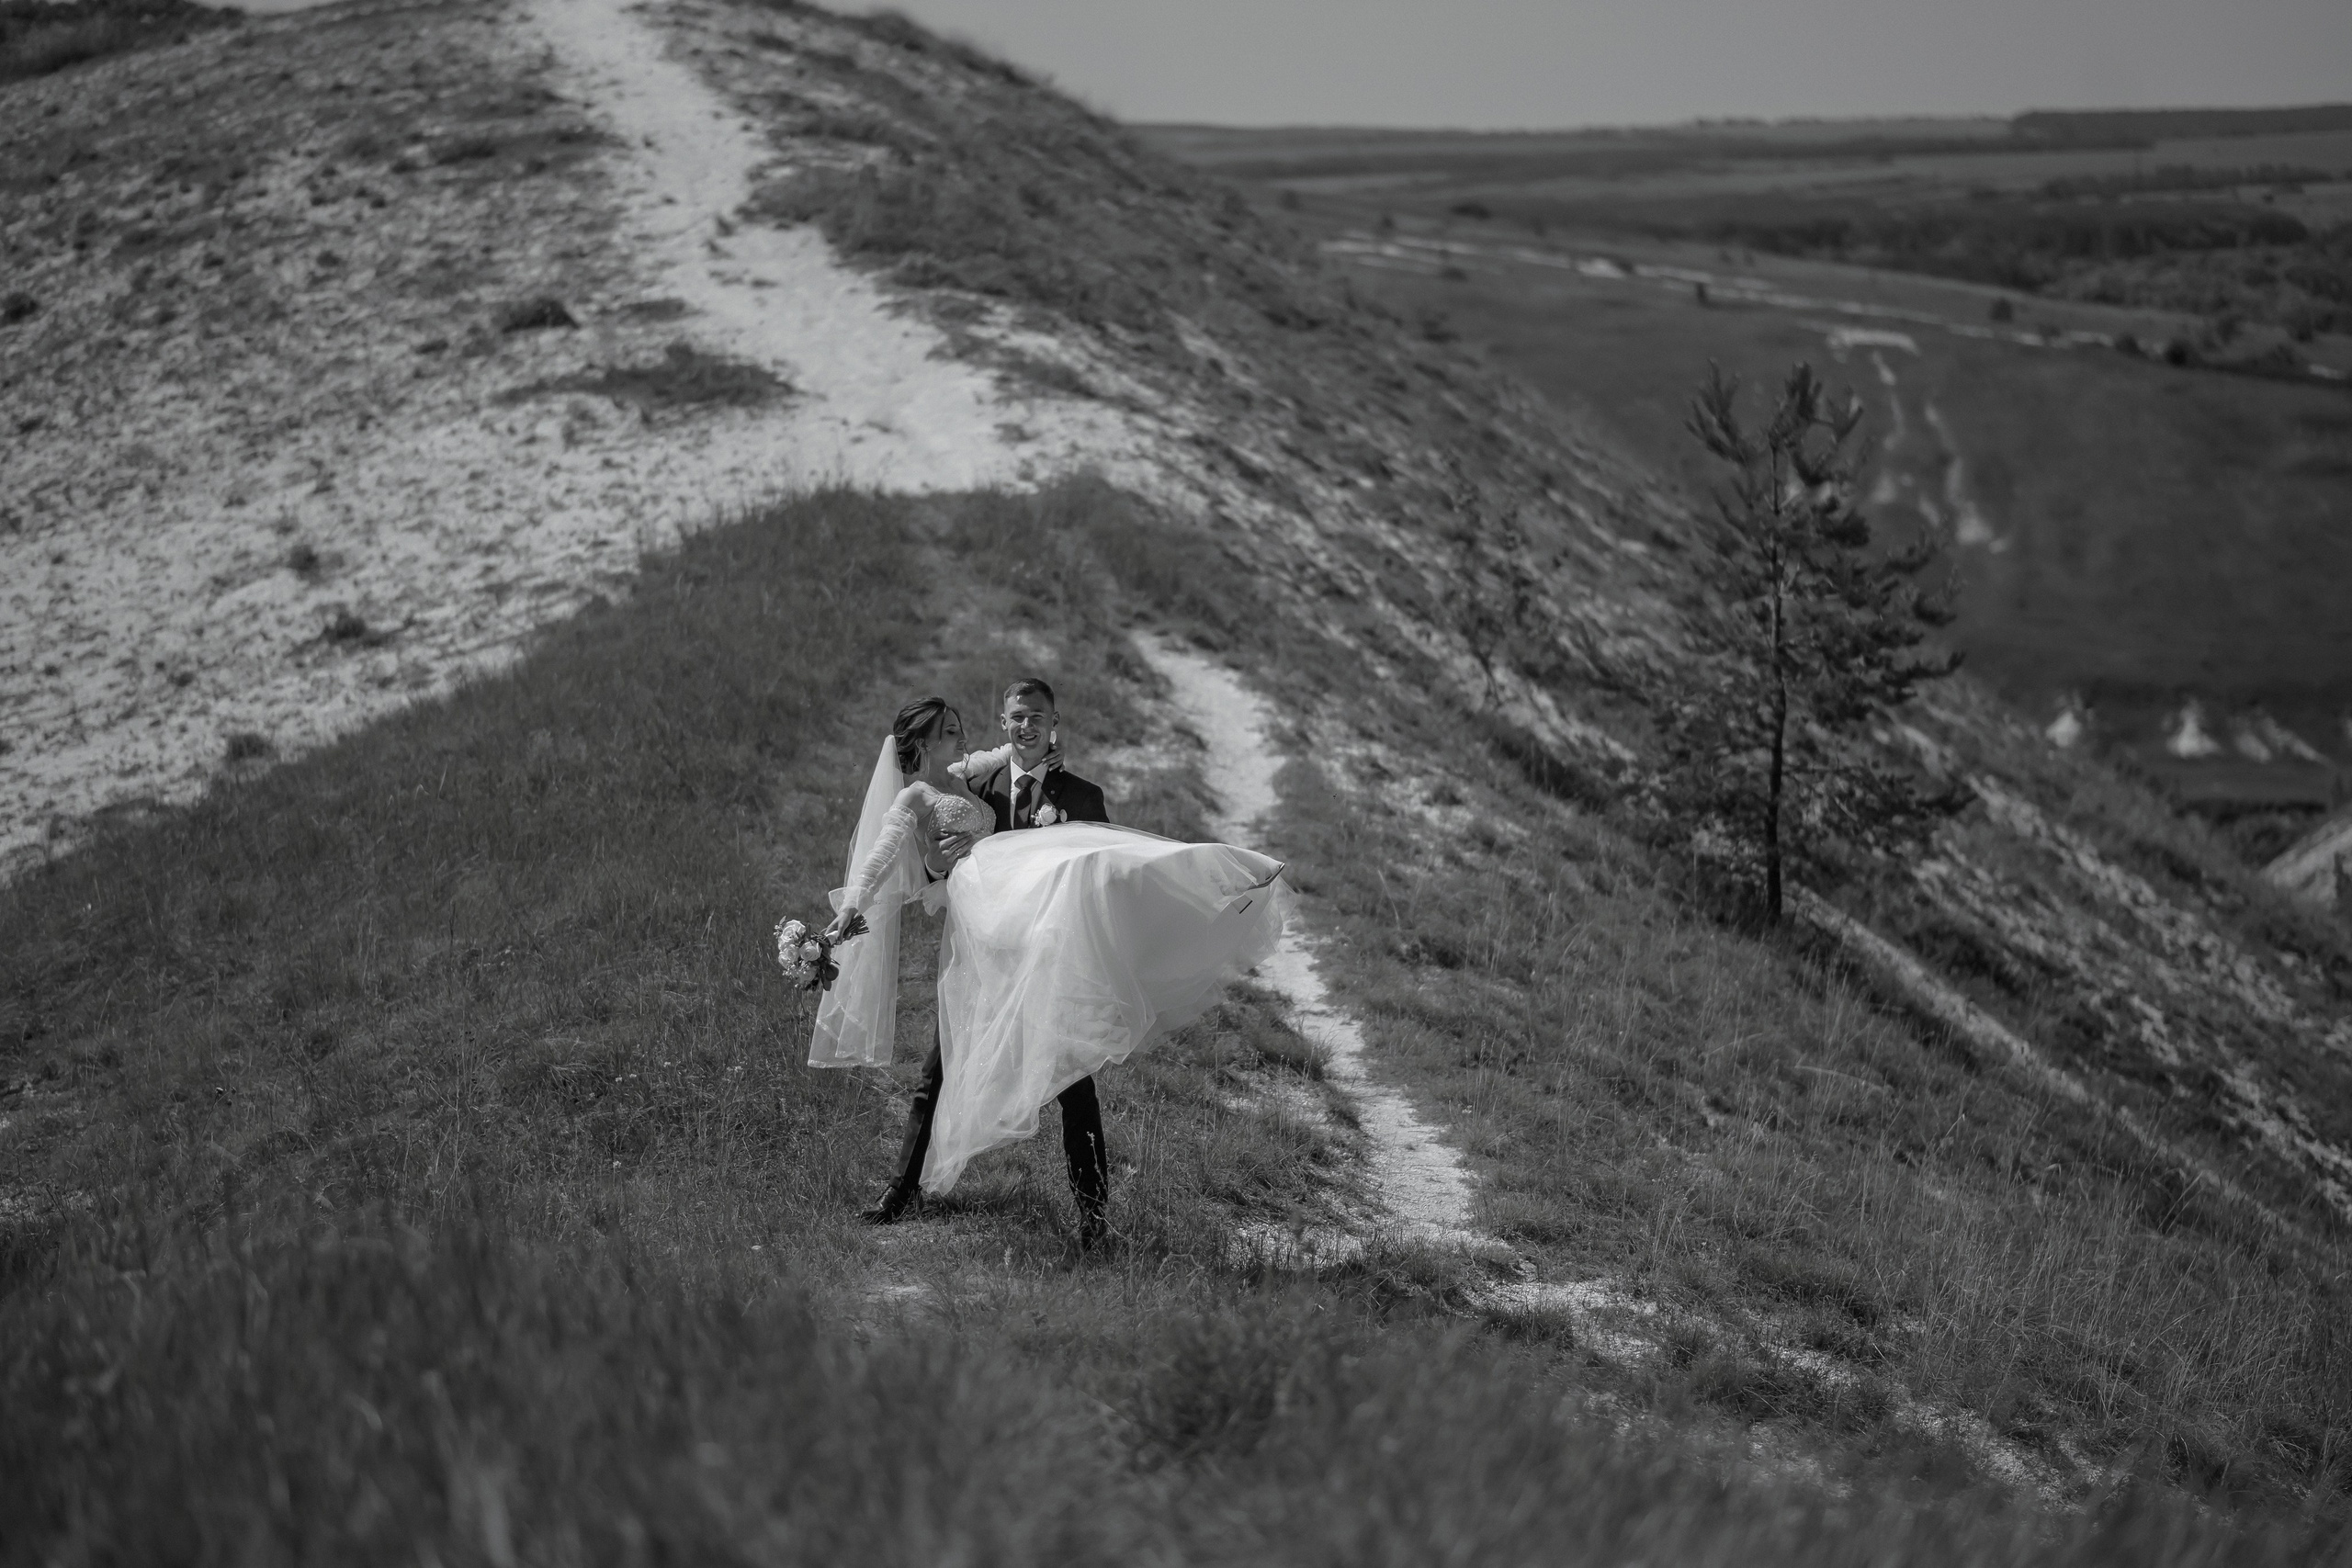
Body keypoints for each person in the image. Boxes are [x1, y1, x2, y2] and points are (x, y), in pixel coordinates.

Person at [808, 683, 1287, 1249]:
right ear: (996, 724)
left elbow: (1117, 866)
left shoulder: (1073, 793)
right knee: (937, 1069)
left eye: (1037, 718)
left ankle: (1094, 1217)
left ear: (1054, 722)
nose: (1023, 727)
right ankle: (901, 1190)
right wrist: (871, 898)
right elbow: (909, 848)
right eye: (1014, 718)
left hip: (1053, 961)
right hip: (984, 949)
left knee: (1073, 1083)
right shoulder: (976, 783)